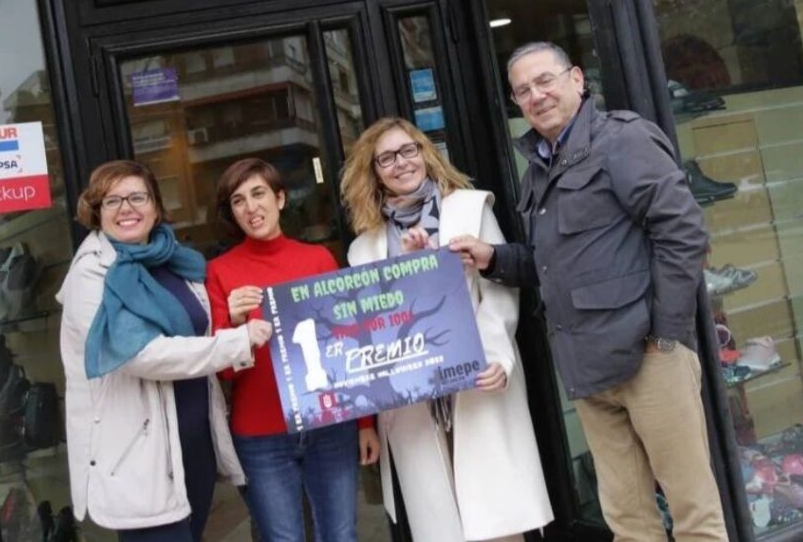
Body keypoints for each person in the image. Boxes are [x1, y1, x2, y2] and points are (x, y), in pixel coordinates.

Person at [452, 41, 728, 541]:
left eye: (545, 80)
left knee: (694, 516)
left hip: (649, 360)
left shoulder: (622, 140)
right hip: (588, 370)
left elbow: (684, 232)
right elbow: (550, 264)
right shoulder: (538, 170)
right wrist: (493, 258)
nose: (536, 96)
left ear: (577, 79)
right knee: (629, 523)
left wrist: (665, 335)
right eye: (522, 91)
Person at [338, 118, 553, 542]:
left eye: (408, 150)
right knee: (441, 524)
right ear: (374, 172)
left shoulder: (469, 209)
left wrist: (498, 357)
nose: (401, 163)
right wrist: (412, 271)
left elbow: (498, 292)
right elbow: (376, 324)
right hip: (414, 402)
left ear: (425, 153)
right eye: (386, 158)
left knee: (495, 516)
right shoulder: (363, 247)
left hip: (478, 380)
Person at [56, 159, 272, 542]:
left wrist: (233, 320)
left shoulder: (175, 261)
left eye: (137, 197)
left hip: (193, 444)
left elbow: (199, 330)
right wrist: (235, 343)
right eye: (112, 201)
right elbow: (144, 356)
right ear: (97, 212)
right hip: (140, 460)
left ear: (156, 207)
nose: (126, 209)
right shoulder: (92, 275)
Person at [205, 157, 380, 542]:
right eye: (238, 201)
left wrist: (365, 423)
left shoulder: (318, 259)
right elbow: (224, 371)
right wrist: (235, 325)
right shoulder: (219, 271)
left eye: (258, 194)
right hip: (261, 435)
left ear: (280, 199)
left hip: (330, 425)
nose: (251, 207)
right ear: (231, 213)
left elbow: (346, 348)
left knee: (341, 535)